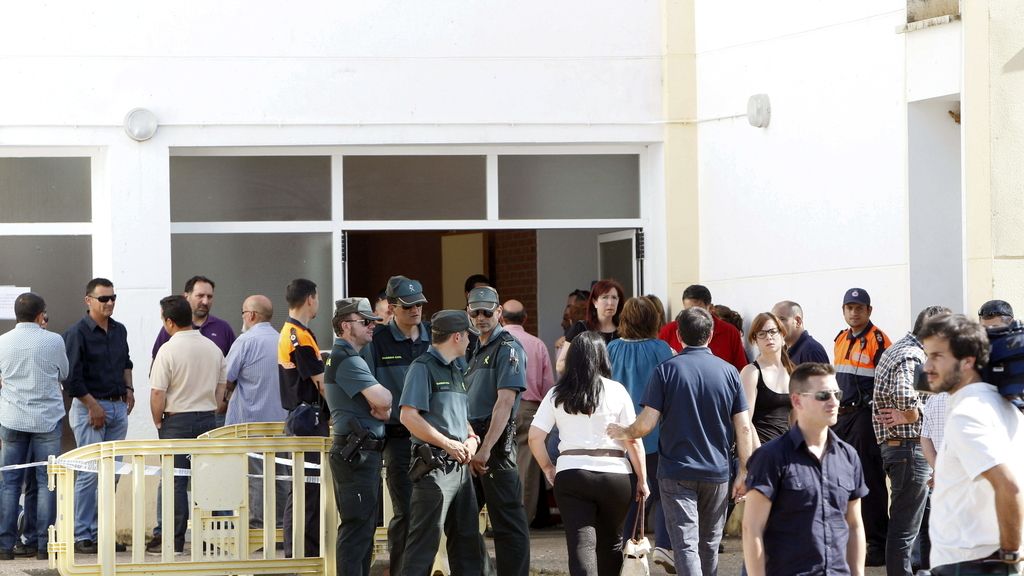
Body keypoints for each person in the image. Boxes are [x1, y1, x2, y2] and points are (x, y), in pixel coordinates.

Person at [609, 306, 754, 576]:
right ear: (710, 335)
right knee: (709, 544)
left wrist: (623, 431)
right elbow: (744, 427)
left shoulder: (666, 370)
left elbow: (647, 423)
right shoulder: (730, 372)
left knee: (686, 545)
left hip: (676, 471)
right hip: (717, 471)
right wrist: (744, 470)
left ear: (678, 335)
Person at [531, 331, 648, 576]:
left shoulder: (557, 393)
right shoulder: (617, 390)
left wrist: (548, 468)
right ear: (602, 356)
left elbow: (534, 437)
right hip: (615, 475)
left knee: (580, 545)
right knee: (611, 543)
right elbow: (633, 440)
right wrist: (642, 479)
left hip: (572, 473)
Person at [919, 313, 1024, 575]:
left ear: (968, 361)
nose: (927, 366)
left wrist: (1010, 556)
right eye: (927, 355)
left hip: (970, 563)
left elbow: (1009, 486)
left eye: (937, 356)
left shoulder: (967, 414)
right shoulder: (1006, 407)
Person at [742, 363, 868, 576]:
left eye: (837, 394)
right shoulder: (771, 457)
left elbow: (854, 525)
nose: (833, 402)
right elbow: (752, 528)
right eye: (823, 396)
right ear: (797, 401)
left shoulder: (848, 456)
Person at [399, 310, 483, 576]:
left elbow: (460, 417)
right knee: (423, 544)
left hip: (459, 467)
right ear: (457, 336)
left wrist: (471, 439)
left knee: (467, 543)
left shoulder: (456, 368)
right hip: (434, 467)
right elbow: (408, 416)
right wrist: (448, 444)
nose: (470, 341)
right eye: (467, 335)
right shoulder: (422, 367)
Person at [361, 274, 431, 575]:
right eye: (408, 306)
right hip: (398, 437)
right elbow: (366, 386)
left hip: (434, 436)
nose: (415, 310)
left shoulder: (434, 336)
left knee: (432, 511)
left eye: (419, 305)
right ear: (391, 307)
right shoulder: (377, 340)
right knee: (406, 510)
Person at [872, 305, 950, 576]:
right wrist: (911, 414)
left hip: (907, 450)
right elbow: (905, 395)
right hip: (909, 449)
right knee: (905, 530)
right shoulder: (911, 354)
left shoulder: (904, 348)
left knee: (923, 524)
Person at [146, 295, 227, 554]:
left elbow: (157, 392)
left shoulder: (167, 350)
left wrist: (157, 420)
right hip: (208, 420)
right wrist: (211, 407)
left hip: (176, 421)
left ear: (169, 322)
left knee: (175, 482)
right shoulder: (213, 348)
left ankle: (174, 541)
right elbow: (221, 388)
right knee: (208, 481)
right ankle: (211, 541)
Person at [62, 278, 134, 555]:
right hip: (89, 407)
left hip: (117, 406)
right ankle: (82, 534)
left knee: (111, 474)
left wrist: (129, 389)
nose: (110, 303)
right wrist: (93, 406)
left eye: (113, 297)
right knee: (90, 473)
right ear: (88, 300)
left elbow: (126, 362)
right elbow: (72, 378)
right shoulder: (76, 333)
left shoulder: (119, 330)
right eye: (104, 298)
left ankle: (100, 532)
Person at [463, 287, 531, 576]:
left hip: (495, 442)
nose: (481, 317)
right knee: (462, 521)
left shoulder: (508, 348)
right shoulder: (473, 347)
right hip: (472, 441)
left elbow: (504, 403)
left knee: (507, 523)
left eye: (487, 312)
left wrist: (486, 448)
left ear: (499, 312)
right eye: (475, 312)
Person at [323, 298, 392, 576]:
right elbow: (384, 399)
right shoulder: (348, 359)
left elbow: (383, 405)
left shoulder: (348, 357)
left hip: (359, 451)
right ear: (345, 326)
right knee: (357, 530)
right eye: (365, 322)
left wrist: (383, 407)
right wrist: (383, 405)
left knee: (362, 529)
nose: (372, 326)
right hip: (357, 453)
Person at [606, 297, 674, 572]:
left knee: (628, 496)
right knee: (660, 491)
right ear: (653, 320)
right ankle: (663, 545)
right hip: (654, 432)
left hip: (618, 433)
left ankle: (626, 546)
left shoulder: (612, 348)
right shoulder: (662, 349)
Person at [0, 293, 68, 561]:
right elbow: (64, 373)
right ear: (41, 315)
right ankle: (43, 545)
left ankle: (5, 546)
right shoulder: (54, 340)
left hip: (12, 419)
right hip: (46, 421)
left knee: (9, 484)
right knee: (46, 482)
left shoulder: (3, 341)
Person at [833, 287, 891, 566]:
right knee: (842, 477)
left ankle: (877, 543)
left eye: (859, 308)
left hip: (865, 417)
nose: (854, 313)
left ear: (869, 311)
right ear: (843, 310)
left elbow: (886, 381)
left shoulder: (878, 340)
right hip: (841, 416)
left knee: (869, 479)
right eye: (849, 308)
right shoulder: (841, 338)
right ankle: (850, 538)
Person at [222, 295, 289, 530]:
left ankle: (256, 529)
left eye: (243, 313)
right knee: (282, 475)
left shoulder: (245, 341)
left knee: (255, 477)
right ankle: (282, 529)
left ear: (251, 315)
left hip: (250, 424)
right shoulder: (283, 340)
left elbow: (225, 378)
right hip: (281, 423)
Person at [276, 278, 326, 558]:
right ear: (310, 299)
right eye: (317, 298)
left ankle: (301, 553)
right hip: (306, 420)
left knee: (304, 489)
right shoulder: (299, 336)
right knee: (307, 489)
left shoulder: (293, 332)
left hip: (301, 419)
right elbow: (321, 383)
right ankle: (301, 555)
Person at [152, 275, 236, 427]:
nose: (205, 301)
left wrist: (224, 402)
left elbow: (232, 372)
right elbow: (156, 371)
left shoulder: (223, 328)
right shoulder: (167, 332)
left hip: (210, 415)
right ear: (186, 296)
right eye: (200, 296)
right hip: (183, 416)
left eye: (209, 296)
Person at [500, 299, 555, 525]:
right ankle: (521, 521)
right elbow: (549, 386)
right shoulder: (537, 344)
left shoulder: (495, 342)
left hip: (499, 407)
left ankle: (497, 518)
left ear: (501, 317)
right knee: (527, 470)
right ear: (525, 318)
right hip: (531, 408)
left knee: (497, 463)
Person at [658, 284, 747, 371]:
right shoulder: (669, 331)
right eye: (688, 311)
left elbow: (741, 370)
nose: (693, 316)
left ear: (710, 308)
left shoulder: (730, 332)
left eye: (698, 311)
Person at [739, 312, 795, 447]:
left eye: (772, 331)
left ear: (782, 335)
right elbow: (745, 422)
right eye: (761, 334)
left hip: (788, 449)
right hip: (762, 448)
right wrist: (760, 454)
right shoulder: (751, 372)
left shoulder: (792, 371)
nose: (768, 337)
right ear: (755, 340)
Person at [556, 279, 625, 374]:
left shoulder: (624, 331)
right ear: (595, 302)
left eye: (614, 298)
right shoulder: (580, 328)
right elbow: (560, 366)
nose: (610, 303)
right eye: (604, 297)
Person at [771, 300, 830, 364]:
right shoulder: (784, 353)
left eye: (782, 319)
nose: (775, 325)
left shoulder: (811, 351)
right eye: (773, 320)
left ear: (798, 322)